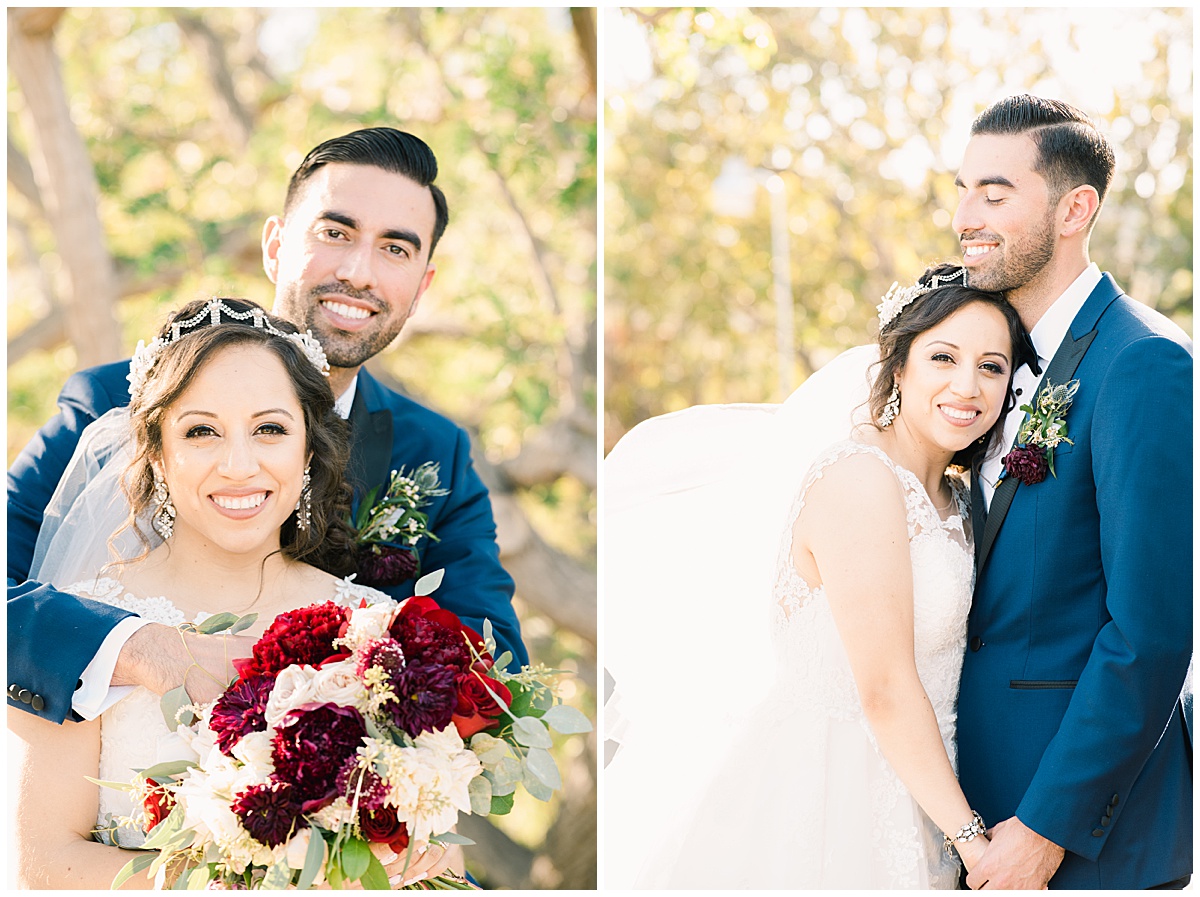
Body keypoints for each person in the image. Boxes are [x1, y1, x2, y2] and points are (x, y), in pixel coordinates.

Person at [8, 128, 526, 727]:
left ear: (422, 286)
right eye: (335, 233)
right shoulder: (109, 402)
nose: (359, 273)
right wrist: (131, 649)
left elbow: (497, 673)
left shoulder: (435, 452)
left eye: (395, 249)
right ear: (274, 246)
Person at [604, 264, 1036, 887]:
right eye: (944, 357)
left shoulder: (958, 498)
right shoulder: (859, 479)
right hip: (835, 789)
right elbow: (884, 687)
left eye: (991, 366)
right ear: (900, 364)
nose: (967, 385)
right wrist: (974, 843)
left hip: (927, 787)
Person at [9, 301, 459, 888]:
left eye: (269, 429)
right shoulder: (82, 634)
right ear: (157, 454)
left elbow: (438, 849)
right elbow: (43, 866)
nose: (239, 464)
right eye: (201, 431)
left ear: (307, 450)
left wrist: (430, 859)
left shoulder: (377, 629)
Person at [952, 95, 1192, 890]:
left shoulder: (1143, 363)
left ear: (1073, 209)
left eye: (994, 194)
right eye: (961, 191)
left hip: (1085, 845)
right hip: (976, 815)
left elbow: (1150, 633)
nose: (965, 218)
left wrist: (1049, 828)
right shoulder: (982, 367)